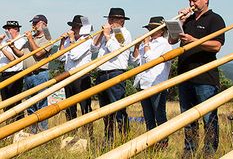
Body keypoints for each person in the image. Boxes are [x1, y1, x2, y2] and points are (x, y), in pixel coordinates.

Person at [176, 0, 226, 154]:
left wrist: (193, 40)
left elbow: (217, 45)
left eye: (195, 0)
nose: (192, 3)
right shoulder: (188, 20)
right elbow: (171, 41)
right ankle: (189, 151)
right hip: (184, 75)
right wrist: (180, 22)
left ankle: (209, 151)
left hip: (205, 77)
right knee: (187, 117)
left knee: (208, 117)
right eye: (190, 0)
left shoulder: (215, 19)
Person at [92, 8, 132, 144]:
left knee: (118, 108)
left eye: (113, 19)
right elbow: (93, 48)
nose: (110, 22)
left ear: (121, 21)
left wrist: (108, 35)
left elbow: (115, 50)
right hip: (102, 73)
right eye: (109, 19)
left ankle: (124, 138)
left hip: (116, 74)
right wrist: (101, 35)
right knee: (105, 110)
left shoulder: (123, 33)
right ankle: (108, 139)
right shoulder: (105, 34)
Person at [133, 17, 173, 139]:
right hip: (144, 83)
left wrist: (145, 44)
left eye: (153, 29)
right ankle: (151, 141)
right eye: (150, 28)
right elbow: (135, 61)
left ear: (161, 31)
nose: (150, 31)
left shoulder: (164, 44)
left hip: (156, 84)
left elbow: (151, 60)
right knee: (148, 116)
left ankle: (163, 141)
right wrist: (136, 46)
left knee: (159, 115)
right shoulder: (148, 43)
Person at [59, 15, 93, 123]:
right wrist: (62, 42)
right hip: (68, 75)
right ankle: (71, 132)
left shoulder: (87, 40)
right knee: (70, 107)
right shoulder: (68, 40)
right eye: (72, 27)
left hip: (81, 76)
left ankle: (88, 133)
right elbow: (60, 57)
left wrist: (72, 39)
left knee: (84, 107)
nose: (73, 29)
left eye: (76, 27)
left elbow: (75, 55)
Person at [20, 14, 52, 132]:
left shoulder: (47, 38)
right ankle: (33, 131)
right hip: (28, 75)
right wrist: (12, 45)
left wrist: (30, 39)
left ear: (44, 24)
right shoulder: (31, 38)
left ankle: (43, 132)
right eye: (33, 23)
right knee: (30, 105)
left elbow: (38, 53)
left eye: (36, 23)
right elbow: (20, 54)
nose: (33, 25)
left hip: (40, 74)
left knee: (41, 104)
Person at [0, 20, 27, 103]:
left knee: (14, 100)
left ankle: (18, 116)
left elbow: (11, 58)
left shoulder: (21, 41)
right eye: (6, 29)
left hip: (14, 73)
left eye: (9, 28)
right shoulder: (5, 41)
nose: (7, 31)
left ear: (16, 29)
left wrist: (0, 46)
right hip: (4, 73)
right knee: (5, 100)